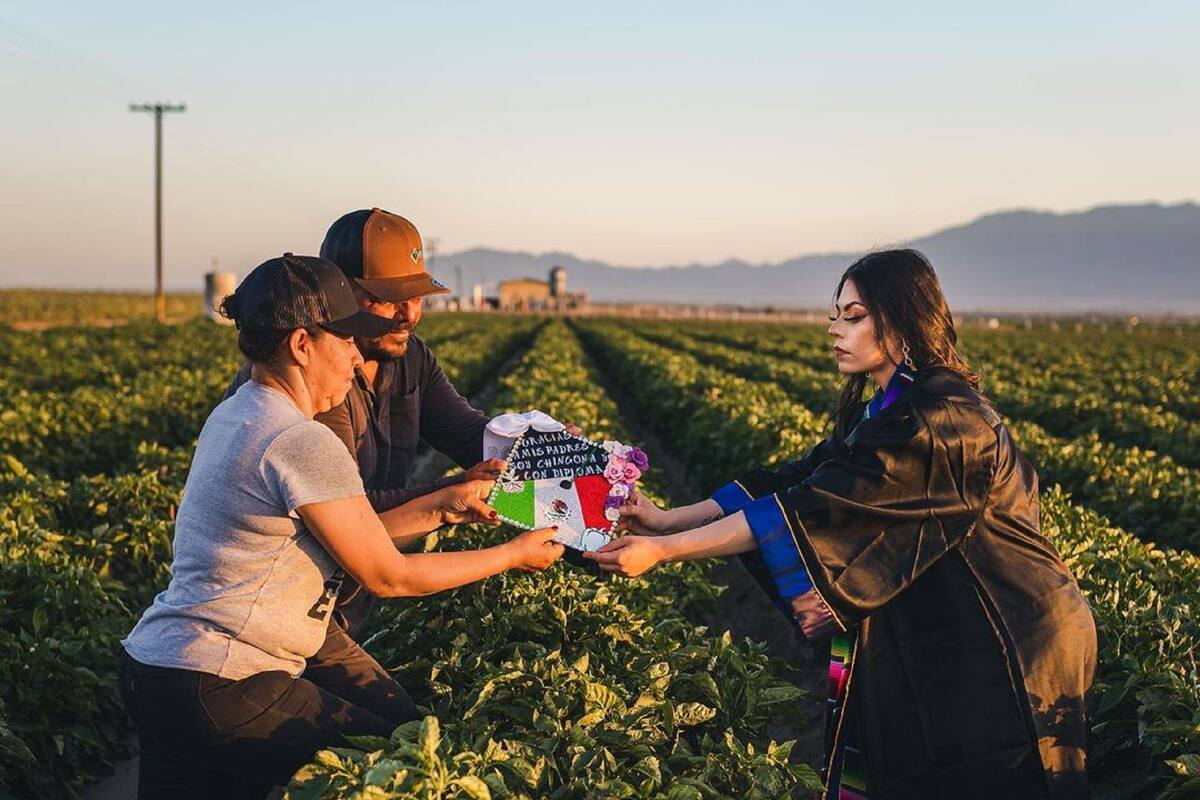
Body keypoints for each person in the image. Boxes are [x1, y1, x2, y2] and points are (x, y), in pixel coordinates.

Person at [587, 249, 1096, 800]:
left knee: (986, 768)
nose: (835, 329)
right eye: (836, 315)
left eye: (854, 316)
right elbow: (793, 484)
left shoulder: (941, 420)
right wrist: (664, 520)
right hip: (950, 619)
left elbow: (812, 510)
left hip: (1009, 630)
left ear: (903, 320)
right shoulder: (886, 408)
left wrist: (665, 551)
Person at [120, 254, 564, 799]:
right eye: (347, 340)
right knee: (397, 764)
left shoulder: (240, 410)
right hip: (221, 681)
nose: (357, 358)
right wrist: (514, 553)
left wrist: (446, 503)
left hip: (158, 668)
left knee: (391, 724)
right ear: (302, 344)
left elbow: (355, 533)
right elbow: (389, 575)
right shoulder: (302, 441)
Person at [225, 208, 500, 635]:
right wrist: (450, 492)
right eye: (388, 299)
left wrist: (547, 452)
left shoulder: (409, 357)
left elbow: (468, 432)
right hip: (283, 608)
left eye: (417, 298)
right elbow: (351, 516)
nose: (408, 315)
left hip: (340, 603)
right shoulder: (308, 386)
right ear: (337, 291)